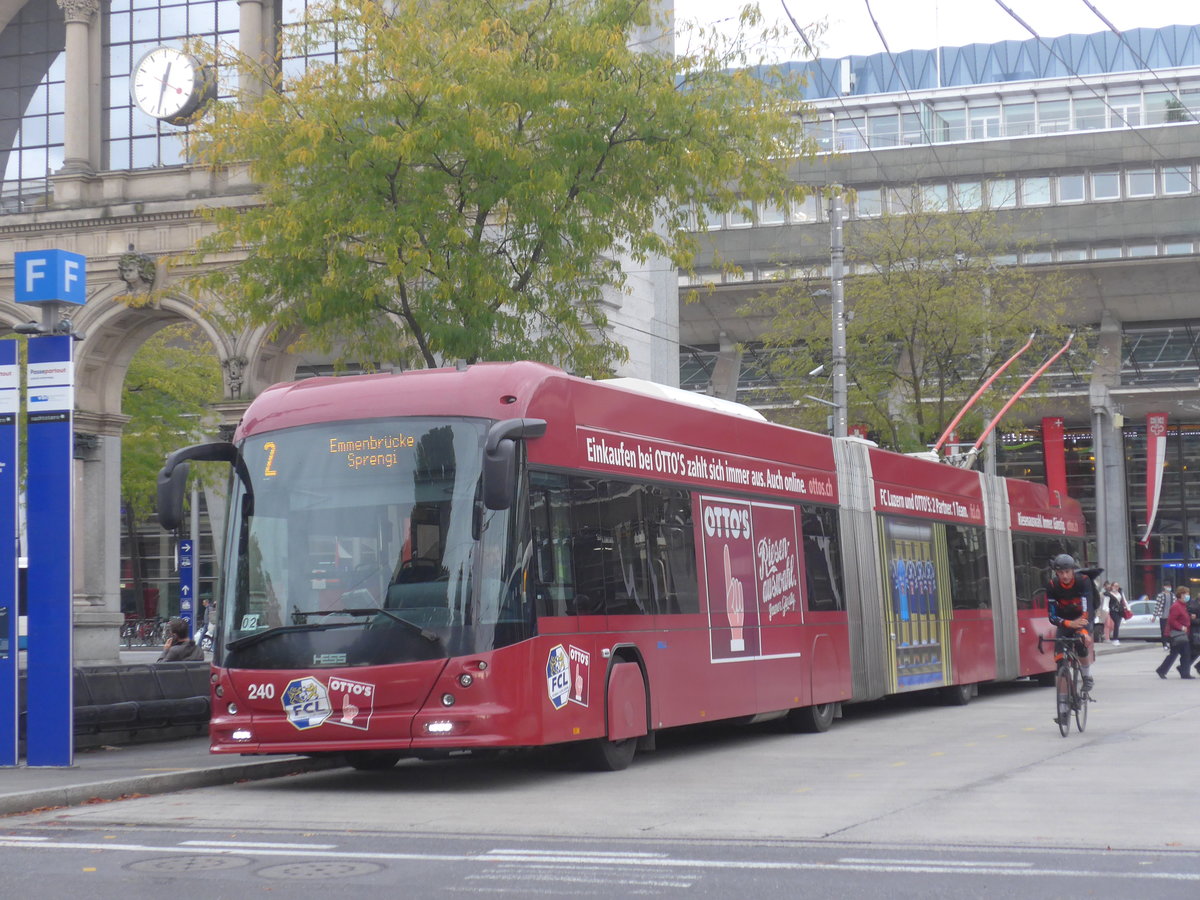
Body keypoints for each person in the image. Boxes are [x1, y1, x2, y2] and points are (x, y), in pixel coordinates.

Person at [1046, 554, 1096, 718]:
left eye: (1067, 572)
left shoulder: (1083, 581)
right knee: (1060, 664)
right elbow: (1052, 616)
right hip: (1065, 622)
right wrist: (1068, 623)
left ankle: (1087, 676)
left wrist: (1083, 630)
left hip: (1082, 618)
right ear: (1056, 573)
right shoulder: (1052, 585)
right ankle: (1063, 711)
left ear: (1073, 570)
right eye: (1061, 573)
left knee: (1081, 642)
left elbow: (1087, 609)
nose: (1065, 576)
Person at [1156, 587, 1195, 679]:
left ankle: (1163, 670)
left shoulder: (1183, 606)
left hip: (1182, 634)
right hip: (1177, 634)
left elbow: (1183, 617)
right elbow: (1171, 620)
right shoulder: (1176, 606)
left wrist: (1190, 617)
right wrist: (1181, 627)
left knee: (1177, 654)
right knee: (1184, 653)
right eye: (1186, 594)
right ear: (1181, 595)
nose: (1188, 596)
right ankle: (1184, 673)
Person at [1154, 582, 1174, 647]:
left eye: (1170, 586)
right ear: (1164, 587)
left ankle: (1170, 643)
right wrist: (1154, 616)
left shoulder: (1173, 595)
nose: (1169, 588)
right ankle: (1164, 644)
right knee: (1163, 630)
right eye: (1167, 586)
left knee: (1171, 630)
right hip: (1163, 616)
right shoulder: (1160, 595)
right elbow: (1157, 606)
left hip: (1171, 617)